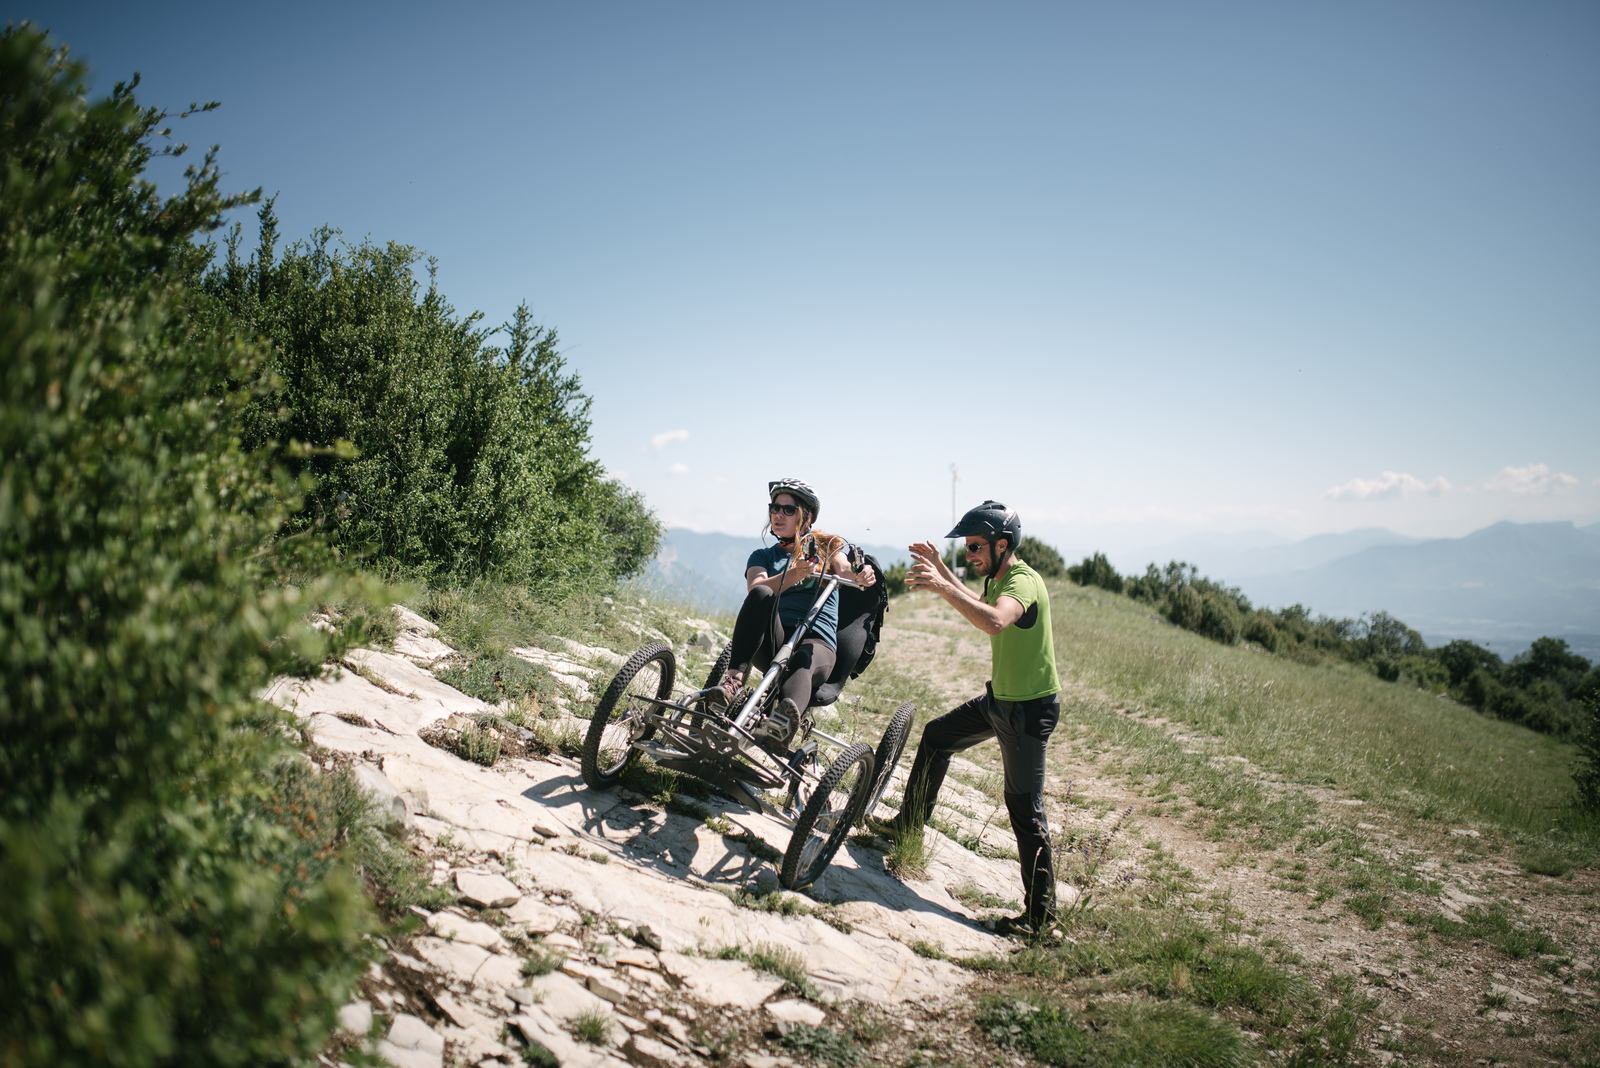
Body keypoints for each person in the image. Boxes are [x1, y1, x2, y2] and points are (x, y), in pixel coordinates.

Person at [879, 500, 1061, 938]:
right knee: (938, 737)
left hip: (1028, 710)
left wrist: (942, 587)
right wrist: (943, 569)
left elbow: (996, 621)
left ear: (1003, 544)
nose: (971, 553)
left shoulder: (1023, 582)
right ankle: (907, 828)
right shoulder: (999, 578)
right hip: (1001, 701)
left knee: (1024, 806)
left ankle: (1042, 920)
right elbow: (980, 603)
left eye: (976, 546)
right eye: (967, 547)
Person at [706, 478, 877, 746]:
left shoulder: (826, 545)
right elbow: (756, 587)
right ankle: (732, 684)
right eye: (774, 508)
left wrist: (861, 573)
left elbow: (846, 571)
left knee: (801, 659)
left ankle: (781, 724)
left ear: (806, 516)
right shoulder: (762, 556)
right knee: (761, 593)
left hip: (816, 643)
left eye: (788, 509)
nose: (778, 515)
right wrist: (796, 574)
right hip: (772, 640)